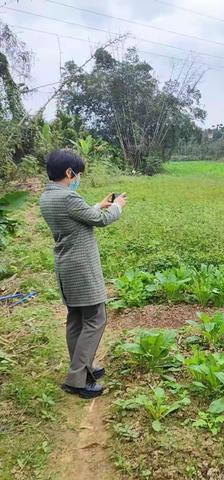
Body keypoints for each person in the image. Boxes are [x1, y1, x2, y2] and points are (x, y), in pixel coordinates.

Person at [39, 149, 126, 399]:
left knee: (76, 319)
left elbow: (78, 217)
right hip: (82, 269)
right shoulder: (68, 198)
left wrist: (98, 205)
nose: (78, 179)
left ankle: (83, 367)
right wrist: (116, 207)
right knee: (96, 318)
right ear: (69, 173)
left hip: (66, 267)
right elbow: (99, 220)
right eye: (78, 174)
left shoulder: (48, 197)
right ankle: (77, 379)